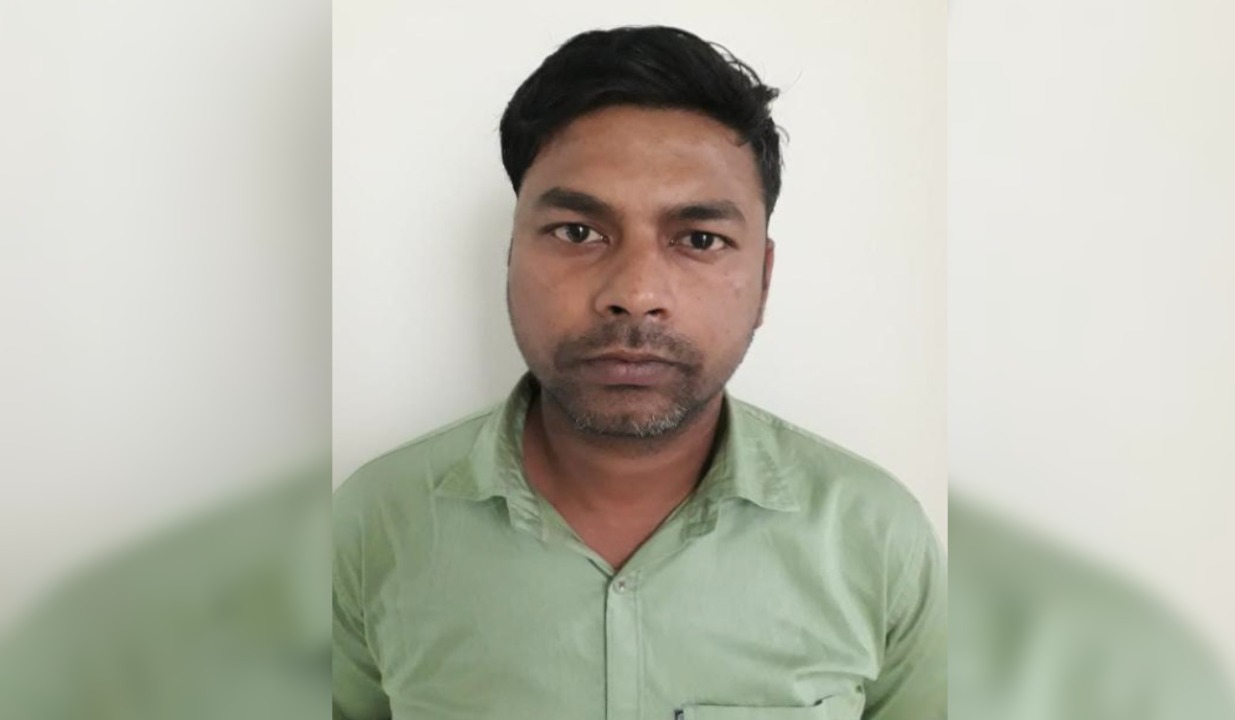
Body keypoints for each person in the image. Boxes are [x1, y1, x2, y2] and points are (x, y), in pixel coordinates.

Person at [333, 25, 945, 720]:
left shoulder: (876, 536)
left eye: (700, 239)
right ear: (510, 256)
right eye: (578, 232)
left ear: (764, 280)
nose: (635, 292)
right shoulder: (371, 527)